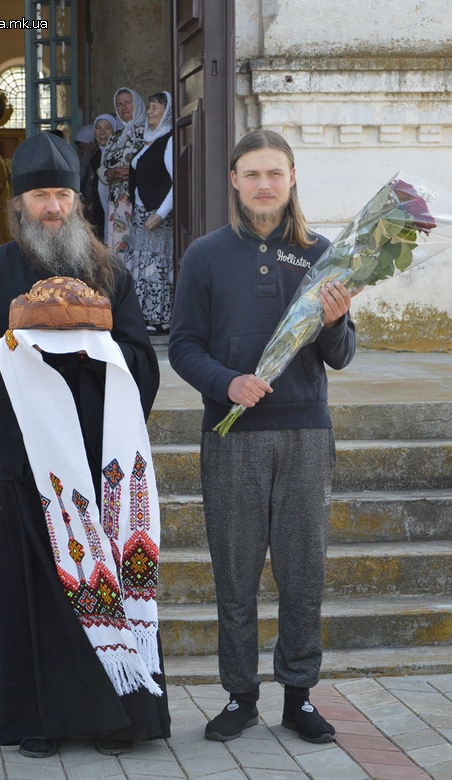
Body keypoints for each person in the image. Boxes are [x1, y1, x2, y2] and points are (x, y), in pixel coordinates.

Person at [0, 132, 170, 758]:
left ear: (78, 201)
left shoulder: (108, 272)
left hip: (100, 467)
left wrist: (93, 350)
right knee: (33, 598)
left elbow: (139, 361)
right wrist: (19, 353)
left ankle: (122, 721)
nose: (53, 207)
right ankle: (39, 720)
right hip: (26, 466)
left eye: (63, 195)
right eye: (41, 195)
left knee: (110, 591)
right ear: (19, 205)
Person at [168, 130, 357, 745]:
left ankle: (298, 696)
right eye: (252, 174)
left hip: (304, 433)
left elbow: (342, 355)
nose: (264, 185)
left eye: (275, 173)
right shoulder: (204, 255)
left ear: (293, 177)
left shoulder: (324, 254)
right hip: (233, 439)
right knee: (235, 570)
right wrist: (227, 384)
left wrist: (335, 321)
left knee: (304, 571)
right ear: (234, 180)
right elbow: (183, 347)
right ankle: (239, 696)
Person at [124, 92, 173, 335]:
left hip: (156, 216)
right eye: (151, 107)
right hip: (141, 213)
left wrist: (161, 214)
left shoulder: (169, 141)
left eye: (156, 108)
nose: (150, 112)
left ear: (167, 113)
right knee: (141, 267)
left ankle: (159, 319)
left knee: (156, 268)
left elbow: (178, 183)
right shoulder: (149, 139)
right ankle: (144, 316)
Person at [98, 88, 146, 261]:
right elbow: (102, 168)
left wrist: (135, 172)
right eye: (119, 104)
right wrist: (109, 173)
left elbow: (157, 165)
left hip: (139, 200)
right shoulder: (114, 137)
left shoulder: (148, 132)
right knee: (118, 249)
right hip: (117, 203)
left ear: (137, 103)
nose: (123, 107)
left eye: (128, 102)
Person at [90, 114, 117, 241]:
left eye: (107, 128)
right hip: (100, 211)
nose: (102, 132)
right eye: (98, 128)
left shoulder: (118, 156)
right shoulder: (96, 157)